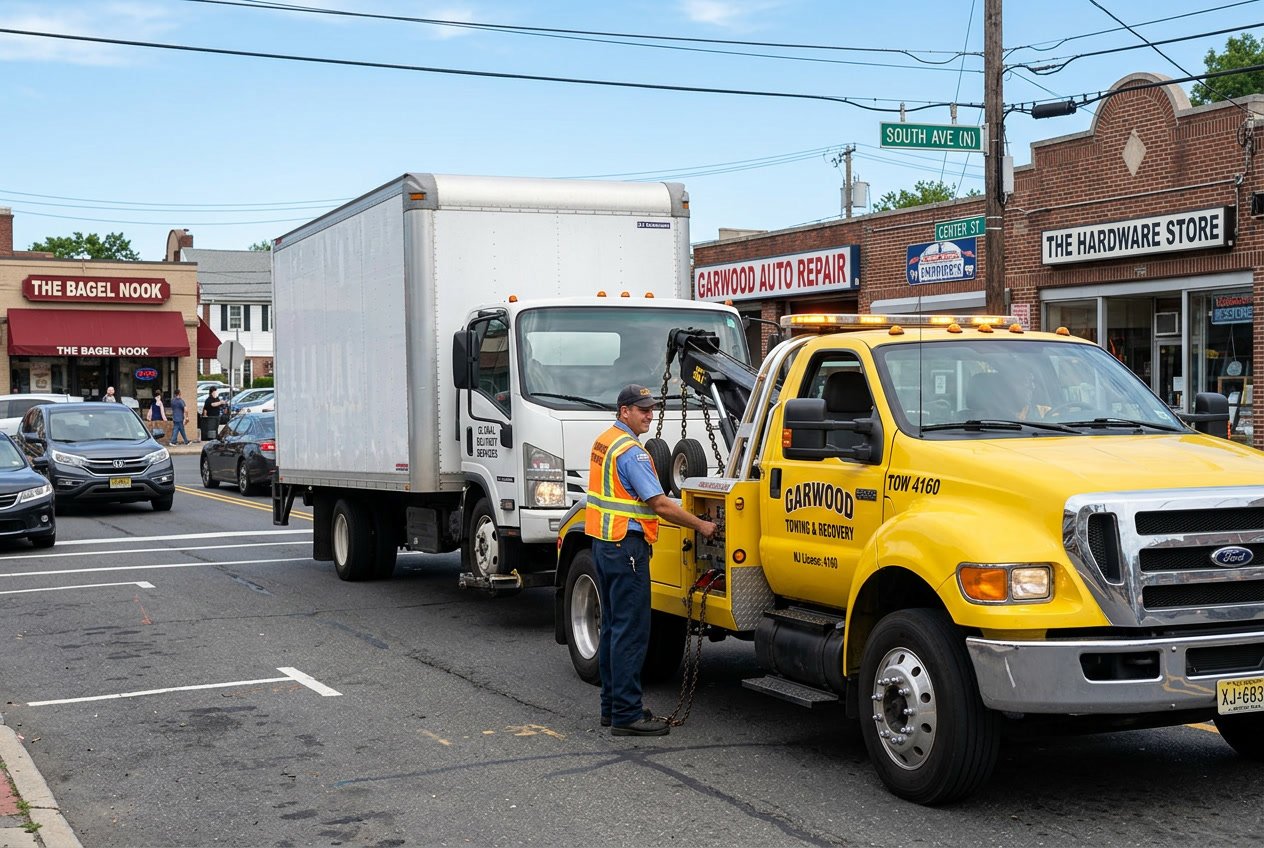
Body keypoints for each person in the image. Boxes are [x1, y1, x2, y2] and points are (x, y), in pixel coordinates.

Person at [585, 384, 717, 737]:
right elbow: (659, 504)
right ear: (624, 410)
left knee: (613, 628)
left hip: (604, 544)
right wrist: (703, 524)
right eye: (642, 409)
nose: (650, 414)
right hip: (626, 548)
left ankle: (612, 708)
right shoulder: (633, 452)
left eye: (652, 408)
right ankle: (627, 713)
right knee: (631, 633)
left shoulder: (605, 440)